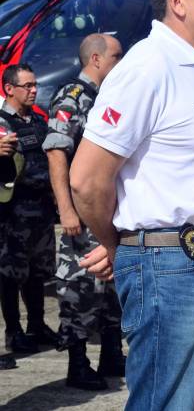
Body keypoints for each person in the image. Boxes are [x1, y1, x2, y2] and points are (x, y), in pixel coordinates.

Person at [70, 0, 194, 409]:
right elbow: (87, 179)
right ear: (178, 0)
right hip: (171, 266)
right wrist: (117, 243)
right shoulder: (148, 67)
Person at [43, 33, 125, 390]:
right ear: (95, 59)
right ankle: (77, 363)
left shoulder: (104, 97)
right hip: (82, 215)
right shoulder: (73, 97)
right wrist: (67, 210)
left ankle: (110, 355)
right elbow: (56, 151)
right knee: (78, 289)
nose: (121, 63)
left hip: (105, 213)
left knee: (108, 289)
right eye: (116, 57)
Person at [0, 64, 58, 355]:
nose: (34, 90)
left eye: (35, 85)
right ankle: (14, 332)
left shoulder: (38, 121)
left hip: (42, 211)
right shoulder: (1, 123)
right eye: (27, 86)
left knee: (38, 272)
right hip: (14, 213)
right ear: (9, 89)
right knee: (11, 273)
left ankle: (37, 325)